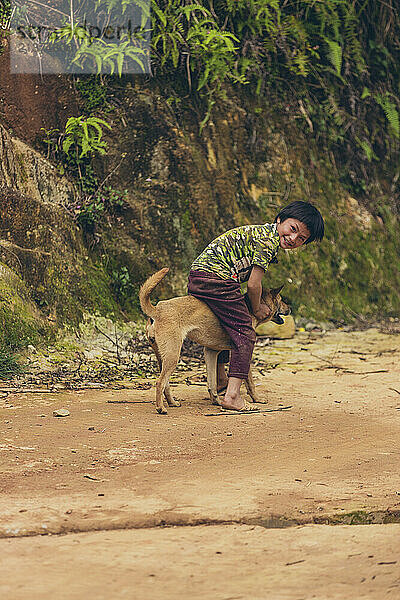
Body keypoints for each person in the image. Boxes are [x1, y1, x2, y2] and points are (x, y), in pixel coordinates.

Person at [187, 201, 324, 411]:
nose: (293, 238)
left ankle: (222, 381)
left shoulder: (263, 234)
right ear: (279, 219)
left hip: (199, 276)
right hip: (217, 278)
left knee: (228, 327)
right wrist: (257, 307)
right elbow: (253, 284)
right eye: (293, 229)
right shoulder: (267, 242)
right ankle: (232, 396)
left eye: (301, 238)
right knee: (245, 333)